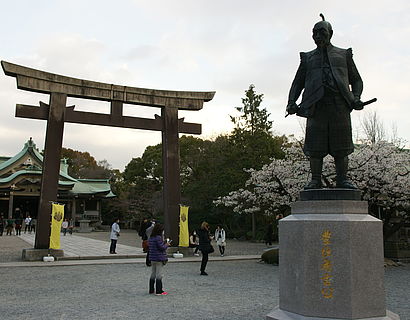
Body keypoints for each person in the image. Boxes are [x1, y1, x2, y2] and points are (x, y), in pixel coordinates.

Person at [286, 14, 365, 190]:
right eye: (314, 33)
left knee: (341, 146)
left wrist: (356, 97)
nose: (317, 36)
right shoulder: (307, 58)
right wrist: (291, 101)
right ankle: (315, 179)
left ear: (331, 32)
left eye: (321, 32)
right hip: (315, 106)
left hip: (340, 105)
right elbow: (297, 82)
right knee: (315, 146)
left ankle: (342, 180)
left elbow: (357, 80)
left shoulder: (344, 54)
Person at [148, 223, 171, 295]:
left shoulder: (151, 238)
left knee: (153, 274)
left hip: (152, 258)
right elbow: (162, 248)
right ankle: (159, 290)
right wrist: (166, 244)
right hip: (159, 258)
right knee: (159, 275)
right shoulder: (158, 237)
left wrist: (163, 243)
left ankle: (151, 290)